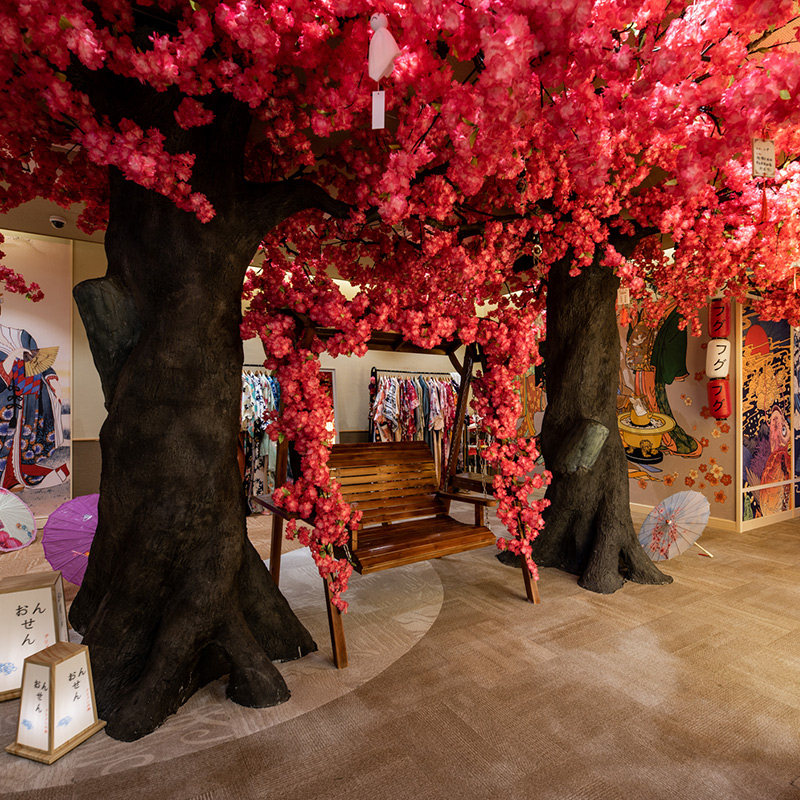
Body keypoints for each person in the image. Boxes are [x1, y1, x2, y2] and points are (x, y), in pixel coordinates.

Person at [0, 320, 68, 490]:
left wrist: (52, 379)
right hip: (4, 400)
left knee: (18, 441)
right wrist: (12, 357)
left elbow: (40, 364)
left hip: (26, 398)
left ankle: (12, 477)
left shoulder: (21, 336)